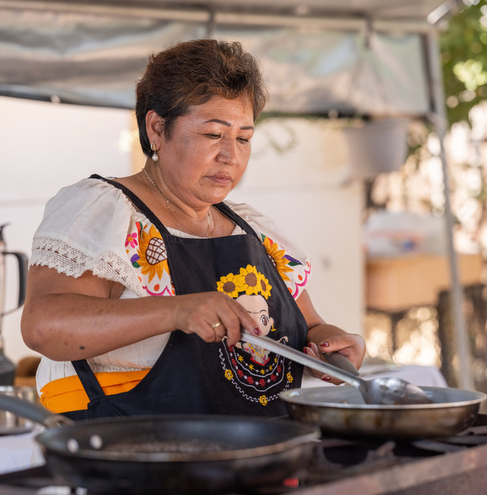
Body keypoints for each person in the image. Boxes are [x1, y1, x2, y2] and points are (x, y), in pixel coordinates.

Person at [21, 39, 366, 420]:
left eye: (244, 138)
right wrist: (176, 311)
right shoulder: (105, 210)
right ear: (156, 127)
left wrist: (332, 342)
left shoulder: (251, 228)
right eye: (213, 134)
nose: (230, 156)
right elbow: (44, 326)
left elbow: (311, 325)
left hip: (260, 451)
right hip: (134, 455)